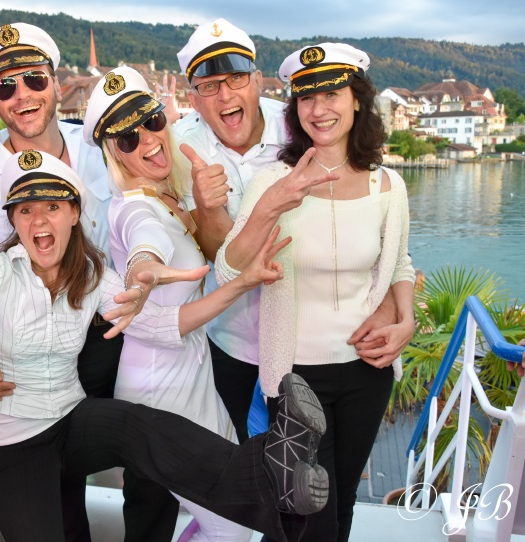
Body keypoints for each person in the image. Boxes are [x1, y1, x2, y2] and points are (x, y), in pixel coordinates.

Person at [0, 149, 329, 542]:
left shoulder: (92, 277)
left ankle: (271, 475)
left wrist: (240, 283)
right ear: (13, 221)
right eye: (25, 210)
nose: (39, 220)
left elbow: (164, 323)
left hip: (71, 422)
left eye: (52, 206)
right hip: (14, 444)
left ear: (74, 214)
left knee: (141, 425)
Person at [0, 23, 178, 541]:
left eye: (34, 79)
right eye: (6, 86)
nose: (23, 95)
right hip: (44, 348)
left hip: (122, 328)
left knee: (153, 466)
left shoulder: (100, 146)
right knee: (60, 493)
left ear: (55, 82)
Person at [216, 43, 416, 542]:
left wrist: (407, 321)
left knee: (342, 500)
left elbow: (399, 264)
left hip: (367, 372)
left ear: (357, 100)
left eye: (331, 94)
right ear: (295, 109)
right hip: (295, 378)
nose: (318, 108)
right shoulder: (272, 180)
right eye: (306, 97)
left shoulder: (387, 186)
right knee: (306, 513)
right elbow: (227, 269)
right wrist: (271, 206)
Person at [171, 19, 402, 442]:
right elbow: (222, 258)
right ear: (193, 99)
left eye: (237, 78)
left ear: (258, 80)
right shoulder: (177, 147)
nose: (226, 95)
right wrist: (208, 208)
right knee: (235, 459)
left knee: (310, 469)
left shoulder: (305, 122)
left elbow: (372, 235)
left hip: (313, 346)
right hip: (234, 336)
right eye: (209, 86)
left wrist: (393, 310)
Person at [83, 65, 258, 541]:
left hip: (194, 377)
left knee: (231, 509)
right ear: (113, 154)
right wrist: (144, 267)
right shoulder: (134, 208)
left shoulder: (165, 196)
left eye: (152, 121)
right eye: (128, 138)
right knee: (234, 524)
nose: (148, 139)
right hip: (161, 392)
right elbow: (144, 241)